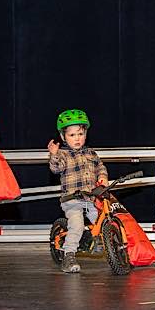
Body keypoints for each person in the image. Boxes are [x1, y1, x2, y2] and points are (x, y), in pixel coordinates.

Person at [48, 109, 108, 274]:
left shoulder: (91, 153)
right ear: (63, 137)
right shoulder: (63, 154)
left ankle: (101, 244)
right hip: (72, 200)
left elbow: (101, 167)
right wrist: (53, 155)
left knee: (101, 221)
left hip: (90, 199)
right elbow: (56, 168)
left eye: (80, 134)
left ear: (85, 133)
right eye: (72, 135)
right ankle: (69, 256)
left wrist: (103, 178)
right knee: (77, 225)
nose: (77, 138)